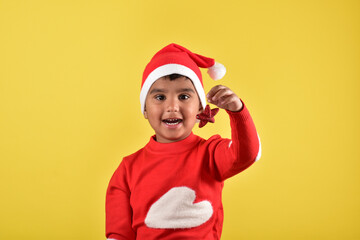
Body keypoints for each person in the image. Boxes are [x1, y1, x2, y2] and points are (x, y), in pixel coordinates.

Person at [105, 43, 261, 240]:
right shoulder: (127, 169)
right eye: (160, 97)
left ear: (200, 108)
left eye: (184, 96)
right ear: (145, 109)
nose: (172, 106)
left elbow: (247, 154)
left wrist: (238, 113)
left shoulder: (211, 153)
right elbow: (119, 234)